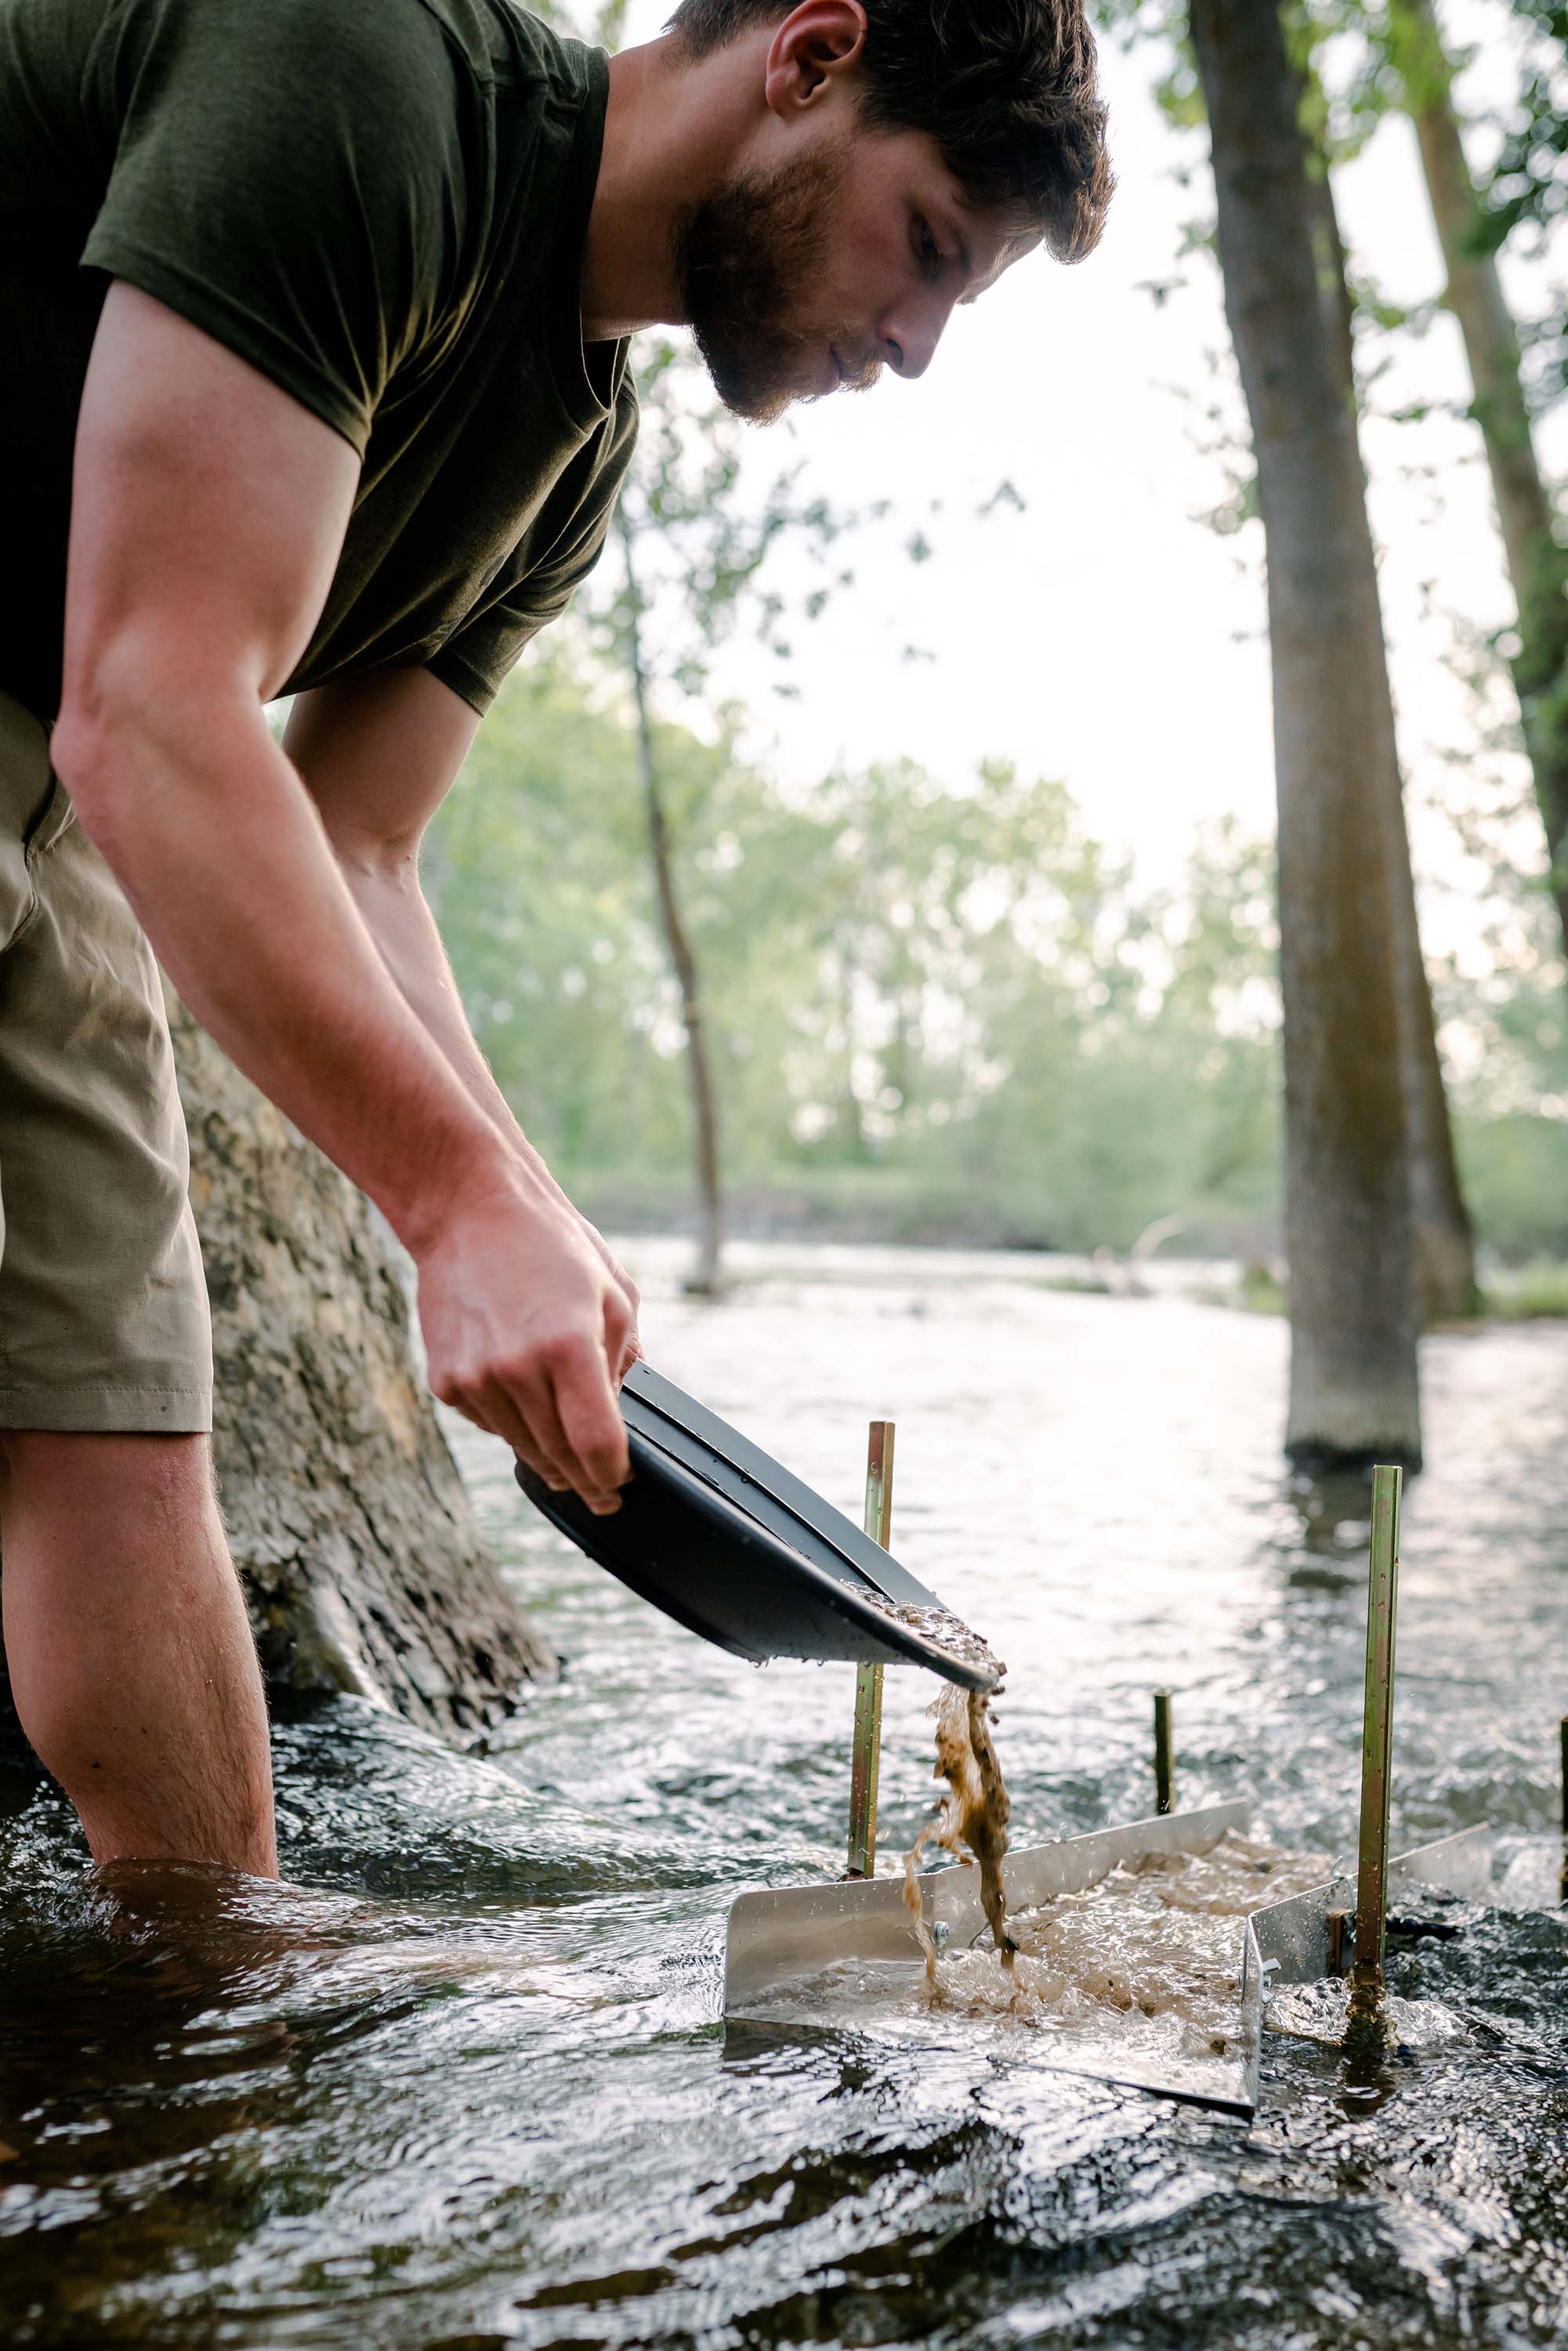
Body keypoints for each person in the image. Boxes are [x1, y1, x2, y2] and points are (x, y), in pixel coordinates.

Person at [0, 0, 1111, 1878]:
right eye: (927, 246)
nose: (918, 349)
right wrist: (444, 1207)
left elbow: (359, 837)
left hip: (53, 775)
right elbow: (158, 704)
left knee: (117, 1422)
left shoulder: (572, 460)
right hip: (83, 730)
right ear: (808, 56)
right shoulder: (358, 78)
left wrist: (530, 1216)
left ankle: (218, 2002)